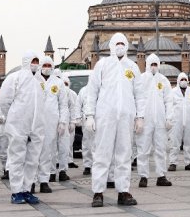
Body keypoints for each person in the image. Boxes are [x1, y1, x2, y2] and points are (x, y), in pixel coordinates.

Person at [85, 33, 145, 207]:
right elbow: (92, 91)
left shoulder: (132, 67)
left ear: (126, 46)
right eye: (117, 43)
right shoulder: (102, 65)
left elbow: (139, 94)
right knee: (102, 154)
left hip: (126, 117)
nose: (119, 46)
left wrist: (140, 116)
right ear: (111, 45)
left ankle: (123, 191)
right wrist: (90, 115)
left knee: (124, 154)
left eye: (122, 43)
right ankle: (98, 192)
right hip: (105, 116)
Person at [0, 51, 45, 204]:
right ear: (26, 61)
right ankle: (16, 191)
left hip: (36, 125)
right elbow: (4, 102)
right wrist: (12, 118)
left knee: (32, 160)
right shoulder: (15, 78)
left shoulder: (40, 81)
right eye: (33, 60)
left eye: (37, 61)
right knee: (17, 158)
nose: (35, 64)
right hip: (18, 125)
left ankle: (26, 189)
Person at [136, 54, 174, 188]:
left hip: (160, 120)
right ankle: (143, 176)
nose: (153, 67)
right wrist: (138, 118)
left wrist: (169, 117)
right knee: (143, 148)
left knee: (161, 148)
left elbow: (169, 100)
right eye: (151, 64)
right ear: (147, 65)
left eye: (155, 64)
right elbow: (137, 99)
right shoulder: (140, 79)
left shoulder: (163, 80)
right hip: (145, 120)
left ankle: (161, 175)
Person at [36, 56, 69, 193]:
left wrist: (62, 121)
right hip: (36, 121)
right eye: (45, 65)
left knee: (48, 152)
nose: (47, 67)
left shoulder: (58, 83)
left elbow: (63, 105)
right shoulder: (34, 80)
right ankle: (31, 181)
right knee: (33, 152)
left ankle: (44, 181)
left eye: (50, 65)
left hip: (52, 122)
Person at [168, 73, 190, 172]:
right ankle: (173, 163)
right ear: (178, 81)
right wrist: (170, 118)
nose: (184, 81)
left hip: (189, 121)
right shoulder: (173, 92)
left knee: (189, 142)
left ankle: (189, 162)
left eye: (185, 79)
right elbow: (169, 106)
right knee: (174, 142)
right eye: (182, 79)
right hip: (177, 121)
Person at [59, 73, 81, 171]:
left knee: (69, 142)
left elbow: (74, 107)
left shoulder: (72, 93)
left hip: (68, 120)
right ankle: (58, 162)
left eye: (66, 83)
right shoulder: (57, 91)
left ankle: (69, 160)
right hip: (59, 120)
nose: (65, 86)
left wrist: (74, 121)